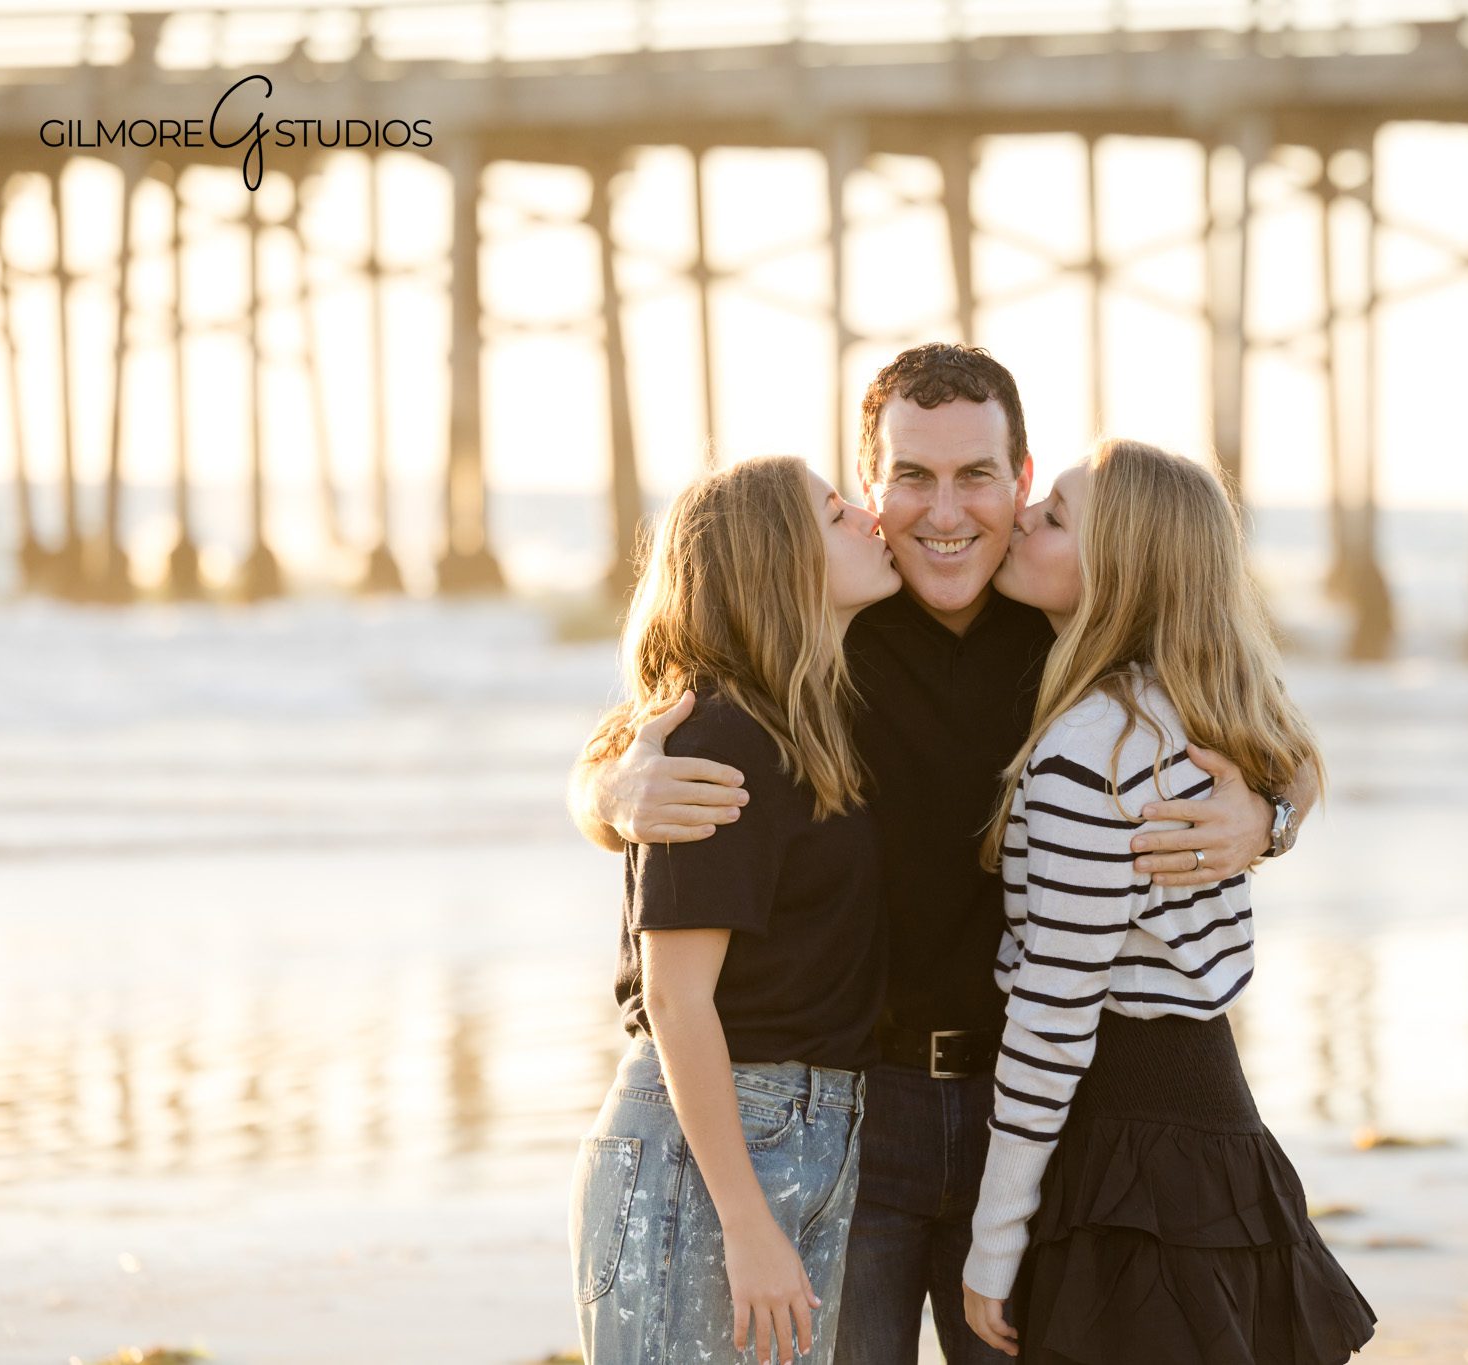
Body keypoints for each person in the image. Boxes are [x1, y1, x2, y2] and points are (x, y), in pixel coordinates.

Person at [567, 344, 1320, 1364]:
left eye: (976, 476)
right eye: (910, 476)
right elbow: (664, 720)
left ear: (1021, 480)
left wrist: (1267, 813)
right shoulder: (820, 629)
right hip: (851, 1117)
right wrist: (603, 793)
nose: (945, 510)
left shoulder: (1072, 617)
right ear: (867, 487)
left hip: (1041, 1109)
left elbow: (1263, 732)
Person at [961, 439, 1379, 1363]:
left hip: (1125, 1143)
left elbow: (1055, 1010)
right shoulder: (1200, 711)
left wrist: (995, 1239)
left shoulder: (1091, 752)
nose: (1024, 517)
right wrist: (1273, 816)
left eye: (1057, 516)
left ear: (1122, 569)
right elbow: (1297, 757)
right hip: (1212, 1126)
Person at [569, 455, 901, 1365]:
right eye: (838, 514)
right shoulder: (719, 737)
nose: (871, 518)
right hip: (710, 1147)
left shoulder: (811, 713)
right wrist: (747, 1221)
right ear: (779, 558)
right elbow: (678, 1000)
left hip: (808, 1127)